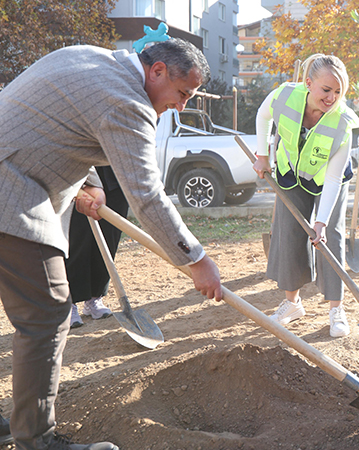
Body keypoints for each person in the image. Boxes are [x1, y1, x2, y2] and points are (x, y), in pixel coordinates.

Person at [0, 39, 223, 450]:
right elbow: (147, 196)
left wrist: (89, 182)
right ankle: (36, 439)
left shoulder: (85, 56)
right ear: (156, 71)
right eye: (182, 93)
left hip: (12, 173)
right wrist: (197, 259)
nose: (181, 106)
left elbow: (50, 119)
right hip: (10, 195)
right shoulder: (129, 103)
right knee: (47, 312)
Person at [253, 54, 359, 338]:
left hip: (328, 179)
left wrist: (321, 223)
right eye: (326, 90)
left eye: (339, 92)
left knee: (332, 238)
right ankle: (292, 304)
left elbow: (335, 178)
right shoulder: (284, 96)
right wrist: (262, 155)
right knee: (288, 232)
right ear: (308, 83)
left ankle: (336, 309)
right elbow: (263, 116)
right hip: (291, 172)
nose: (332, 97)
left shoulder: (343, 122)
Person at [67, 167, 129, 328]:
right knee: (78, 239)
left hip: (115, 175)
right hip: (81, 174)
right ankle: (69, 302)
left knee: (110, 238)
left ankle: (95, 297)